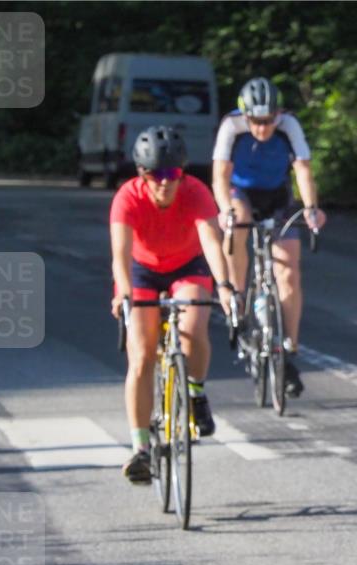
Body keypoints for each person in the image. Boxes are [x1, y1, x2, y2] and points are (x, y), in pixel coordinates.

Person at [111, 125, 235, 484]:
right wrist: (123, 291)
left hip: (187, 266)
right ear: (141, 173)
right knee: (142, 356)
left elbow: (212, 243)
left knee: (193, 327)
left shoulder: (196, 192)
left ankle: (195, 392)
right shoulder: (127, 197)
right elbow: (119, 254)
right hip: (143, 270)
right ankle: (141, 449)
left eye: (173, 174)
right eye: (156, 174)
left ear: (182, 172)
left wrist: (225, 286)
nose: (165, 183)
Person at [212, 77, 326, 397]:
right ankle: (236, 297)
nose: (263, 129)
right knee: (238, 221)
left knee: (288, 268)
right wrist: (224, 209)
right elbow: (220, 175)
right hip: (241, 192)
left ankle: (289, 347)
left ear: (278, 114)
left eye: (269, 121)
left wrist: (311, 208)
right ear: (246, 116)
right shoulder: (231, 126)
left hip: (277, 195)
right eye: (257, 122)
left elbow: (302, 169)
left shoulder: (288, 125)